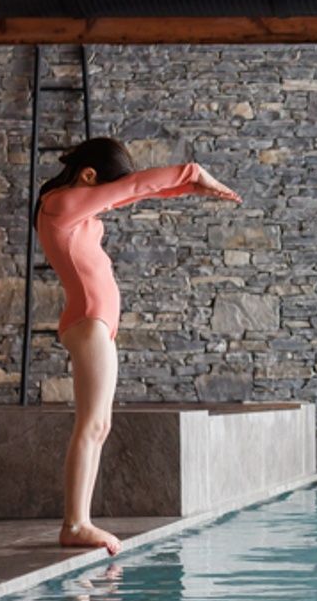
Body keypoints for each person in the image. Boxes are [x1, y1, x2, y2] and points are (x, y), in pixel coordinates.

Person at [36, 138, 241, 554]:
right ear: (89, 176)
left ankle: (79, 521)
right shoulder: (60, 204)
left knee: (100, 425)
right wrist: (192, 172)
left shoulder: (78, 204)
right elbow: (133, 189)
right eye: (102, 186)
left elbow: (135, 191)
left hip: (97, 323)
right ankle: (75, 523)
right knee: (91, 425)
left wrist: (192, 189)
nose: (105, 196)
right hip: (89, 321)